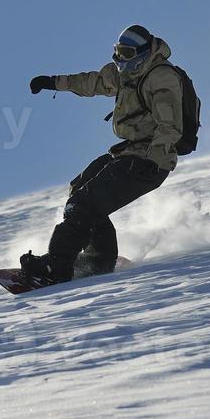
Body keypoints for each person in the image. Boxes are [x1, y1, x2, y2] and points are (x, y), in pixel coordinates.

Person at [21, 25, 186, 284]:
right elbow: (91, 82)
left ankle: (57, 266)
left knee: (84, 204)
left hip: (149, 160)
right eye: (117, 52)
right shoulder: (125, 73)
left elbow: (171, 125)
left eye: (127, 52)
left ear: (142, 53)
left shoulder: (160, 77)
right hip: (129, 152)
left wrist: (153, 160)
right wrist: (52, 82)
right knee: (78, 191)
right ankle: (99, 258)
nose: (120, 58)